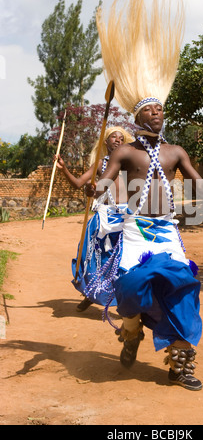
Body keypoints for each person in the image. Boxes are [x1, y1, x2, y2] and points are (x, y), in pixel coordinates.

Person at [84, 0, 203, 391]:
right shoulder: (125, 152)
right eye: (150, 111)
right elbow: (106, 184)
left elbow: (197, 182)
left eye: (160, 110)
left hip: (168, 231)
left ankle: (181, 362)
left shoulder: (175, 152)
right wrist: (98, 188)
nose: (157, 115)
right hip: (135, 232)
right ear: (138, 116)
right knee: (132, 289)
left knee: (183, 290)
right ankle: (132, 329)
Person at [55, 126, 135, 312]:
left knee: (123, 260)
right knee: (92, 257)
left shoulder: (131, 164)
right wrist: (64, 168)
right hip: (103, 217)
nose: (117, 140)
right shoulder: (101, 165)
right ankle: (90, 293)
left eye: (121, 138)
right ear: (105, 143)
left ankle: (126, 305)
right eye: (113, 137)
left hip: (125, 217)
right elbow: (78, 183)